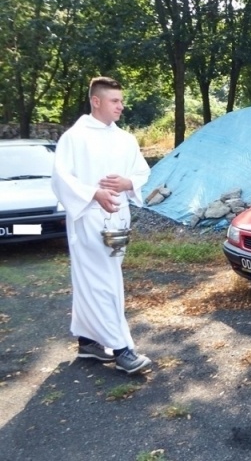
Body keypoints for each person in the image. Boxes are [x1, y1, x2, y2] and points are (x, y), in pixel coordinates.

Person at [51, 76, 153, 374]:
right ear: (96, 101)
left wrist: (127, 183)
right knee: (104, 283)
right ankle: (122, 350)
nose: (121, 106)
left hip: (118, 221)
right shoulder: (74, 137)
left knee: (93, 280)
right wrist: (94, 193)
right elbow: (61, 178)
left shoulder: (125, 139)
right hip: (88, 218)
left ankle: (87, 342)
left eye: (121, 101)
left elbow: (142, 173)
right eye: (114, 101)